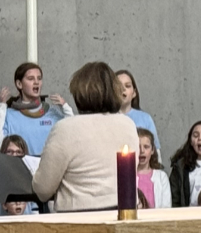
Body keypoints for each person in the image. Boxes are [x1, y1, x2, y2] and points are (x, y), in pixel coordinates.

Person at [32, 62, 140, 211]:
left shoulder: (66, 128)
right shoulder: (127, 124)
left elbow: (43, 189)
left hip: (79, 217)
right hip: (122, 213)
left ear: (79, 93)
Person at [0, 62, 74, 156]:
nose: (36, 82)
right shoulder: (9, 115)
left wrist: (66, 108)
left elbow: (73, 136)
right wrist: (1, 107)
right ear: (19, 84)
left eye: (39, 78)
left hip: (49, 164)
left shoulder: (53, 112)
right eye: (30, 78)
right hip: (20, 165)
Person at [0, 135, 40, 217]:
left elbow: (35, 209)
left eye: (18, 152)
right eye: (10, 152)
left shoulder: (31, 176)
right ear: (3, 153)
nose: (14, 155)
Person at [117, 70, 161, 157]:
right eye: (118, 86)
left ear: (134, 93)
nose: (123, 89)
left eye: (127, 86)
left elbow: (156, 152)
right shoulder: (106, 119)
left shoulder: (145, 118)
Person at [136, 128, 172, 209]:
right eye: (138, 147)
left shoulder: (161, 177)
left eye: (146, 147)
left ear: (152, 150)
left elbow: (166, 207)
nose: (142, 151)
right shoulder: (127, 177)